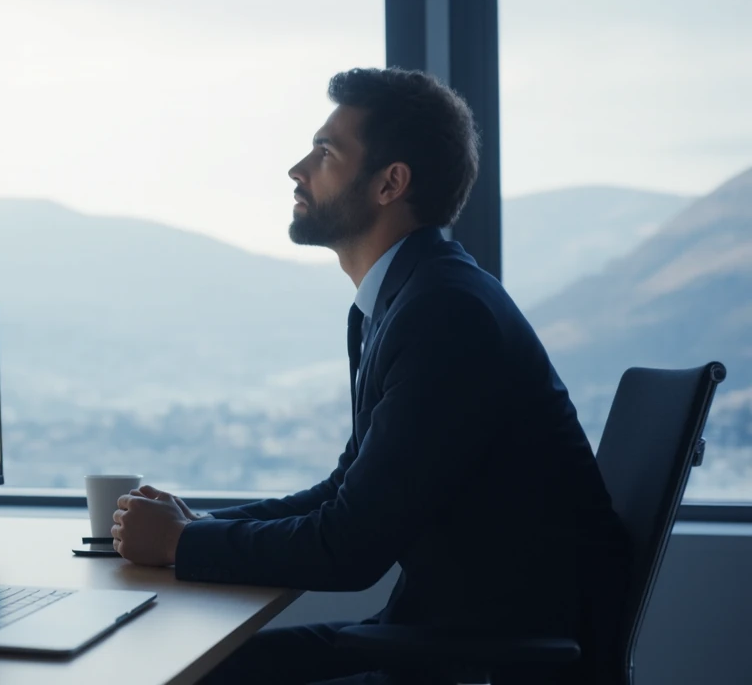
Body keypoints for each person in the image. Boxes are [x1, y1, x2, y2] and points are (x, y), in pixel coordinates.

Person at [110, 68, 630, 685]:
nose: (298, 169)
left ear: (390, 183)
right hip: (447, 638)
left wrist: (179, 545)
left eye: (325, 153)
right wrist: (199, 526)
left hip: (486, 659)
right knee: (196, 668)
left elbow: (349, 549)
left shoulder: (443, 313)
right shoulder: (405, 299)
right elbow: (344, 492)